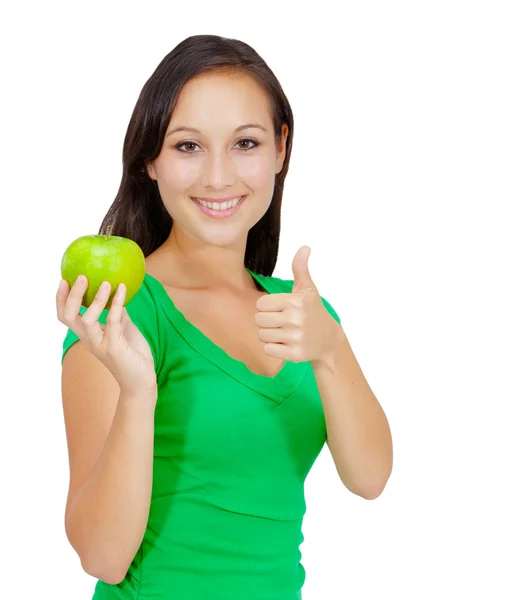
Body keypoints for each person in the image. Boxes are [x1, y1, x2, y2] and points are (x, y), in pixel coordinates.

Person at [56, 34, 391, 600]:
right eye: (188, 146)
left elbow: (370, 479)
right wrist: (139, 392)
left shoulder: (302, 313)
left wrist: (332, 349)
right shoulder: (122, 313)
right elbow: (104, 557)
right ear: (150, 160)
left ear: (281, 149)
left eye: (245, 143)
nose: (218, 176)